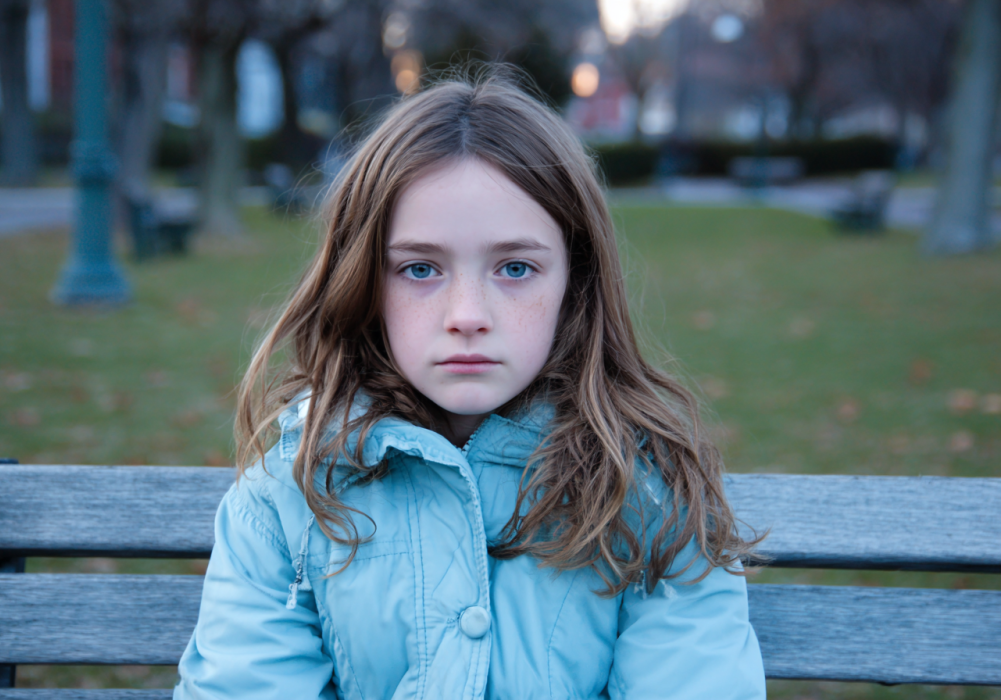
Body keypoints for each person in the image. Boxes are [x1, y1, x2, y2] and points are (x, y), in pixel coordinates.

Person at [174, 70, 765, 700]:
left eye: (515, 268)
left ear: (576, 282)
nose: (466, 314)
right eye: (420, 268)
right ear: (366, 281)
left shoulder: (649, 494)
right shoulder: (291, 494)